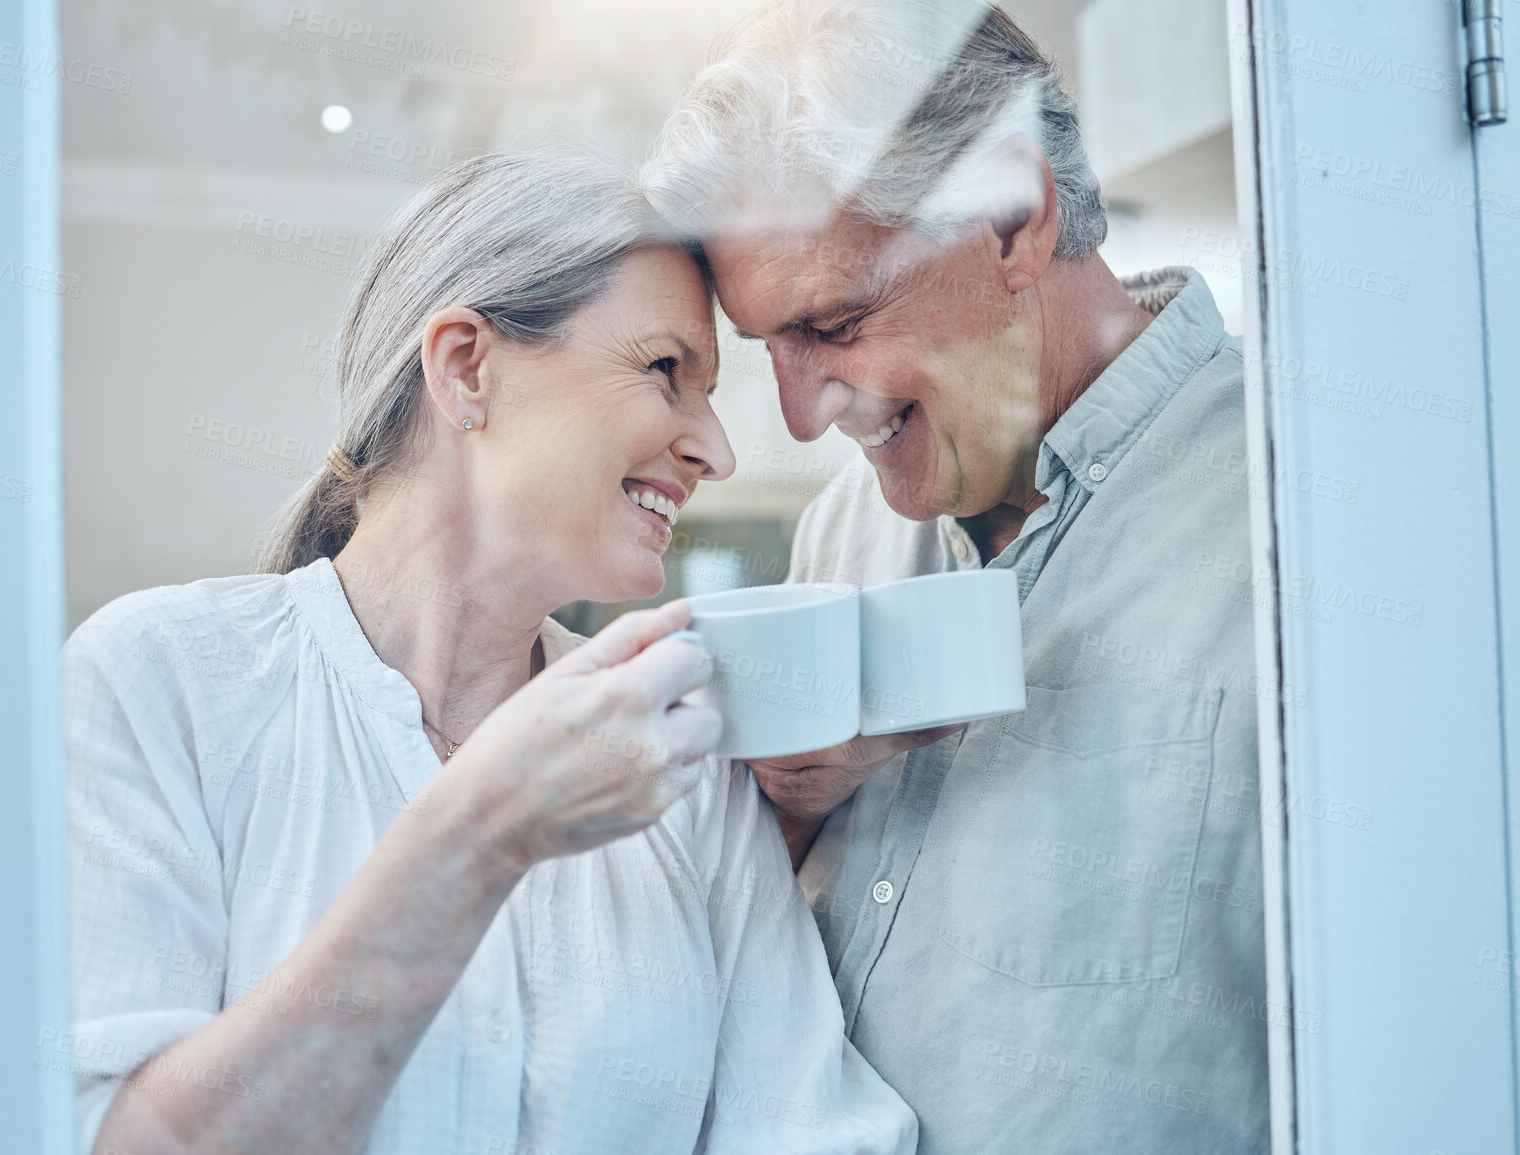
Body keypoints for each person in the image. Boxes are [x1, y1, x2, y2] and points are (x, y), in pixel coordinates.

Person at [63, 150, 917, 1155]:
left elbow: (816, 1134)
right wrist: (476, 839)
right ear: (466, 367)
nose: (717, 452)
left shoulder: (680, 759)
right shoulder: (159, 684)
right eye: (664, 371)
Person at [644, 3, 1270, 1151]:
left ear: (1014, 221)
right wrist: (781, 817)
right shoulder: (843, 531)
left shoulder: (1297, 513)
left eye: (831, 322)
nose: (800, 410)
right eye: (768, 348)